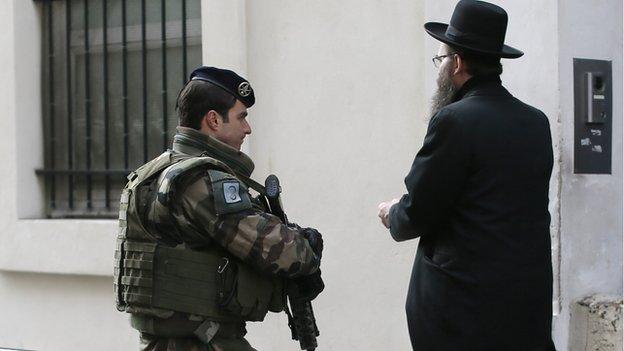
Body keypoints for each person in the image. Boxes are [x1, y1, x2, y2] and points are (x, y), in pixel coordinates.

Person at [377, 1, 556, 350]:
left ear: (457, 63)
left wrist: (391, 212)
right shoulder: (536, 122)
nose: (440, 68)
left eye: (441, 59)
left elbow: (419, 212)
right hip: (523, 310)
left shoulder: (454, 120)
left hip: (464, 315)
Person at [114, 66, 324, 351]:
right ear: (213, 120)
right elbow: (283, 252)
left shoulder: (155, 172)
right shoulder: (201, 181)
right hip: (203, 341)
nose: (247, 129)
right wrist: (306, 244)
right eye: (241, 117)